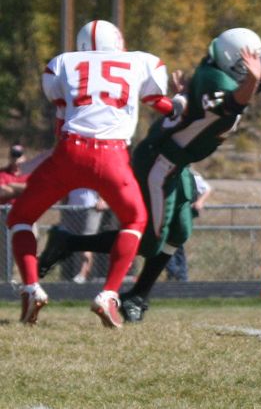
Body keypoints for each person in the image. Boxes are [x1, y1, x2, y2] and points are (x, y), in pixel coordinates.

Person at [38, 27, 261, 322]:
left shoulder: (225, 74)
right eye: (246, 66)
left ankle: (138, 295)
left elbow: (251, 85)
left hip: (177, 162)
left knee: (180, 231)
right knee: (149, 241)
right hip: (159, 162)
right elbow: (232, 101)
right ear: (230, 63)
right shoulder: (213, 81)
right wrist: (255, 77)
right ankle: (68, 243)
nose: (254, 71)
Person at [9, 19, 187, 327]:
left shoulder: (62, 63)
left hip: (69, 150)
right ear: (118, 41)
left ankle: (31, 287)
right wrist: (179, 103)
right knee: (134, 220)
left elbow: (61, 113)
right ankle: (108, 294)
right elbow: (156, 102)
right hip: (112, 156)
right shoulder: (140, 61)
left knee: (21, 217)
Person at [165, 169, 212, 281]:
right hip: (167, 215)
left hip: (180, 216)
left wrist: (199, 202)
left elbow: (206, 189)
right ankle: (176, 275)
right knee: (169, 246)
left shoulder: (189, 174)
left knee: (174, 245)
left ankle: (179, 276)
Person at [58, 189, 107, 283]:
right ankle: (74, 276)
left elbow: (104, 188)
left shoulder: (94, 176)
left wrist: (101, 200)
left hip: (91, 210)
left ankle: (83, 274)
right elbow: (65, 194)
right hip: (72, 211)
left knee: (86, 242)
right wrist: (64, 209)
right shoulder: (71, 177)